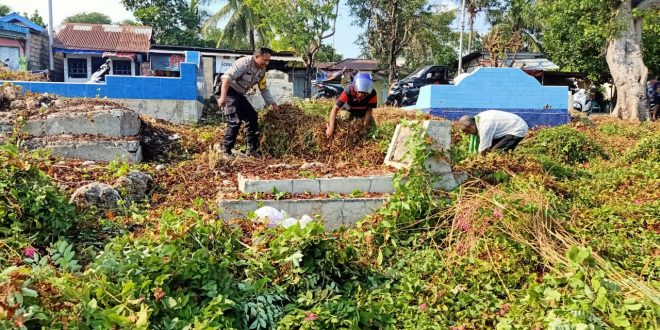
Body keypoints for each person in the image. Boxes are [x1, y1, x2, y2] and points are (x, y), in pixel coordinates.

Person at [216, 47, 279, 157]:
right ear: (256, 57)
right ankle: (225, 149)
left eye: (268, 60)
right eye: (265, 60)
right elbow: (226, 78)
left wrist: (273, 103)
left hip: (239, 94)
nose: (267, 63)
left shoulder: (262, 70)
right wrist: (223, 97)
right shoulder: (244, 63)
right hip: (228, 90)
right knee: (235, 120)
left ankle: (251, 150)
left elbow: (263, 88)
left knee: (252, 116)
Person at [326, 72, 377, 138]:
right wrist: (331, 127)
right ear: (355, 88)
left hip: (363, 111)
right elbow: (335, 109)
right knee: (344, 124)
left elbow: (369, 110)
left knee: (371, 129)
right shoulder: (348, 90)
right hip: (349, 109)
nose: (361, 96)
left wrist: (365, 126)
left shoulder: (372, 93)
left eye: (365, 94)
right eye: (359, 92)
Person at [457, 110, 529, 155]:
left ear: (471, 126)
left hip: (517, 129)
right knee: (494, 149)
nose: (467, 133)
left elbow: (482, 150)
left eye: (466, 131)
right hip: (510, 127)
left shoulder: (484, 126)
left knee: (495, 152)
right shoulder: (478, 119)